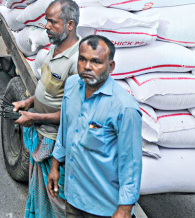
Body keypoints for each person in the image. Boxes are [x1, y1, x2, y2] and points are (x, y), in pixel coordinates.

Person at [48, 36, 142, 218]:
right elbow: (65, 130)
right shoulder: (72, 85)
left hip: (104, 208)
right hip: (73, 197)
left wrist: (124, 208)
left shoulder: (125, 108)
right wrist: (55, 165)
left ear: (111, 66)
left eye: (96, 62)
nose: (87, 67)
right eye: (82, 59)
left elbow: (131, 163)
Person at [11, 0, 82, 218]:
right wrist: (29, 102)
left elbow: (73, 114)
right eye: (46, 21)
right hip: (42, 134)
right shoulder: (55, 48)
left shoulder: (78, 62)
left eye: (53, 22)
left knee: (58, 202)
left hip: (56, 142)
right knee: (41, 195)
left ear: (70, 25)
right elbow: (49, 87)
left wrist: (35, 118)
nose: (47, 26)